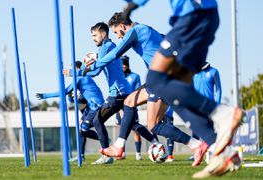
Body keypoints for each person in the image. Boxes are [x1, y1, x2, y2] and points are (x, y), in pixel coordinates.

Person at [121, 0, 243, 177]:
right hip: (204, 17)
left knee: (156, 80)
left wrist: (133, 4)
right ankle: (222, 152)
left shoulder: (142, 30)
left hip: (192, 17)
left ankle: (223, 113)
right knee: (176, 94)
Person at [85, 13, 208, 167]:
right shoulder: (147, 29)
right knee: (129, 102)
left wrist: (94, 63)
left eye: (116, 32)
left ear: (123, 26)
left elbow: (117, 53)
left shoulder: (134, 31)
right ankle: (119, 146)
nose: (117, 36)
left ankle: (197, 145)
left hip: (164, 79)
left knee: (154, 125)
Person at [64, 22, 158, 163]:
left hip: (117, 92)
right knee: (133, 124)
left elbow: (95, 72)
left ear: (103, 33)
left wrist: (73, 72)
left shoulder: (105, 47)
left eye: (95, 35)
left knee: (97, 120)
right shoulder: (111, 46)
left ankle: (107, 155)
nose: (93, 39)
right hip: (124, 90)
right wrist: (91, 62)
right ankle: (156, 143)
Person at [37, 61, 113, 164]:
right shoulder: (82, 79)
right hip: (90, 108)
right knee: (81, 131)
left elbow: (65, 91)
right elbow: (76, 99)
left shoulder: (81, 78)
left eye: (72, 68)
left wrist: (45, 96)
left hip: (96, 107)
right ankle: (81, 156)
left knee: (83, 129)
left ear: (78, 69)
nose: (70, 71)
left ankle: (105, 143)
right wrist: (71, 97)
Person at [115, 55, 143, 160]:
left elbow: (138, 91)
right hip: (119, 107)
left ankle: (138, 154)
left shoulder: (135, 76)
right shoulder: (118, 76)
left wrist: (134, 104)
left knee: (135, 129)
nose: (123, 66)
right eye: (121, 64)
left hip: (131, 106)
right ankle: (122, 153)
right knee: (121, 130)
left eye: (124, 64)